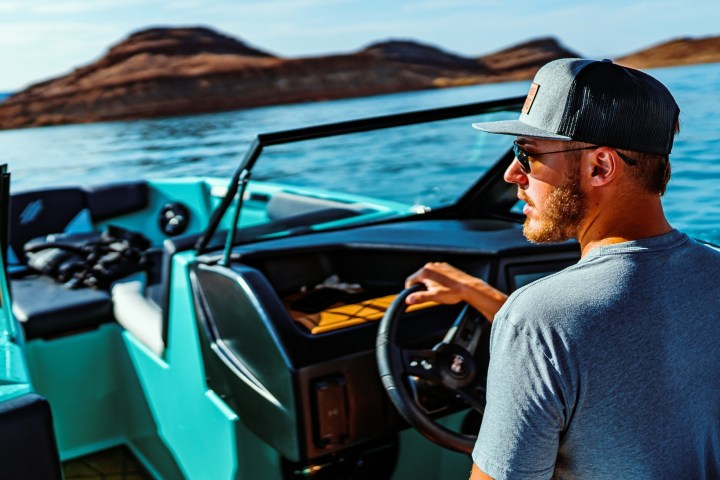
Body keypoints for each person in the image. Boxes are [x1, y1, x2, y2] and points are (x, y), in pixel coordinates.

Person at [406, 58, 720, 479]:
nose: (511, 173)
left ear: (600, 167)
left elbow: (562, 333)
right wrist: (485, 298)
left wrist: (518, 320)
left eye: (527, 154)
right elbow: (617, 338)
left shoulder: (538, 320)